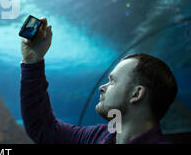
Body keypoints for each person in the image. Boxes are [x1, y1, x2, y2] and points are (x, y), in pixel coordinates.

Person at [20, 17, 178, 144]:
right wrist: (32, 61)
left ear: (136, 93)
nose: (102, 87)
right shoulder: (98, 136)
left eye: (113, 81)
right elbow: (43, 128)